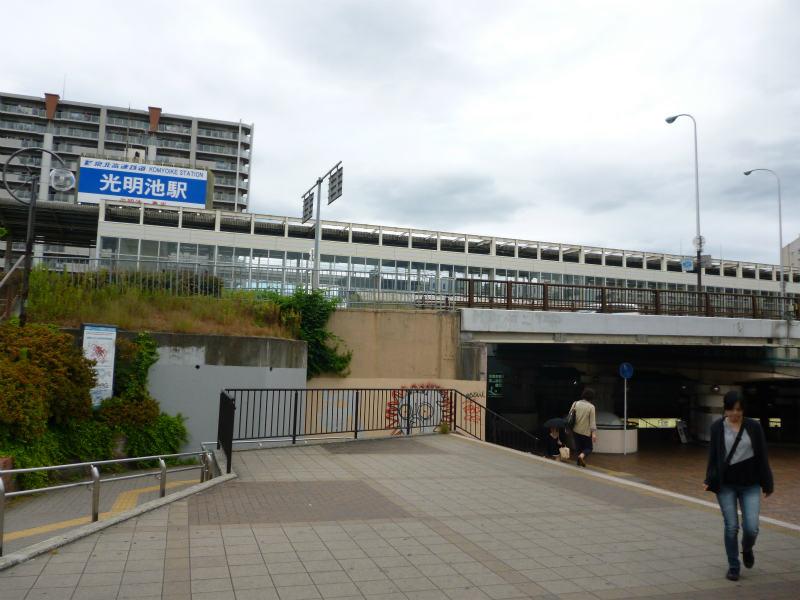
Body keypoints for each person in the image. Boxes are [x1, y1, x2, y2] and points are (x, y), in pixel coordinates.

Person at [704, 391, 773, 582]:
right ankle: (733, 566)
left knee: (752, 528)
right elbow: (714, 455)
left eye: (739, 410)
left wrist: (767, 482)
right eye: (732, 409)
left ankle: (747, 548)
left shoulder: (754, 426)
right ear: (725, 408)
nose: (735, 413)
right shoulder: (717, 427)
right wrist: (709, 477)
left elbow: (762, 456)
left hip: (750, 484)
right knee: (731, 526)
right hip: (726, 484)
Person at [569, 388, 597, 467]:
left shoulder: (575, 403)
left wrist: (567, 428)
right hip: (586, 432)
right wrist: (594, 434)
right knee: (589, 448)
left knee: (579, 448)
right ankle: (581, 457)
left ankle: (579, 463)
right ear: (592, 397)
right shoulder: (591, 407)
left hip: (575, 430)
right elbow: (592, 422)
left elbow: (570, 416)